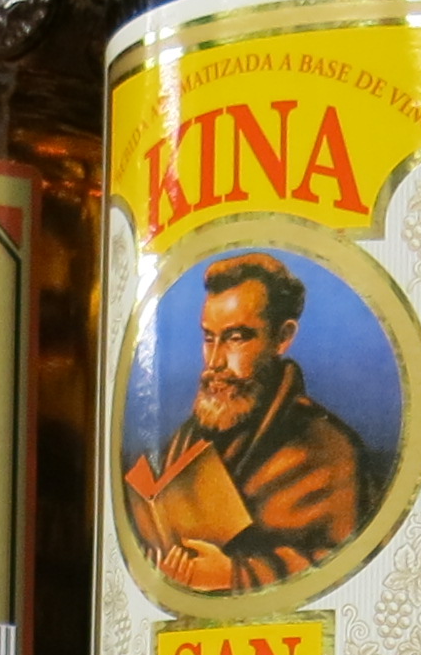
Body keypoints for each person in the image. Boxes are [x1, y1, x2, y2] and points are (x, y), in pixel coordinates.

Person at [122, 251, 387, 593]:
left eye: (235, 338)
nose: (215, 362)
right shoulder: (187, 438)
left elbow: (355, 568)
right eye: (209, 338)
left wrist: (233, 575)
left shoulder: (329, 450)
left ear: (283, 337)